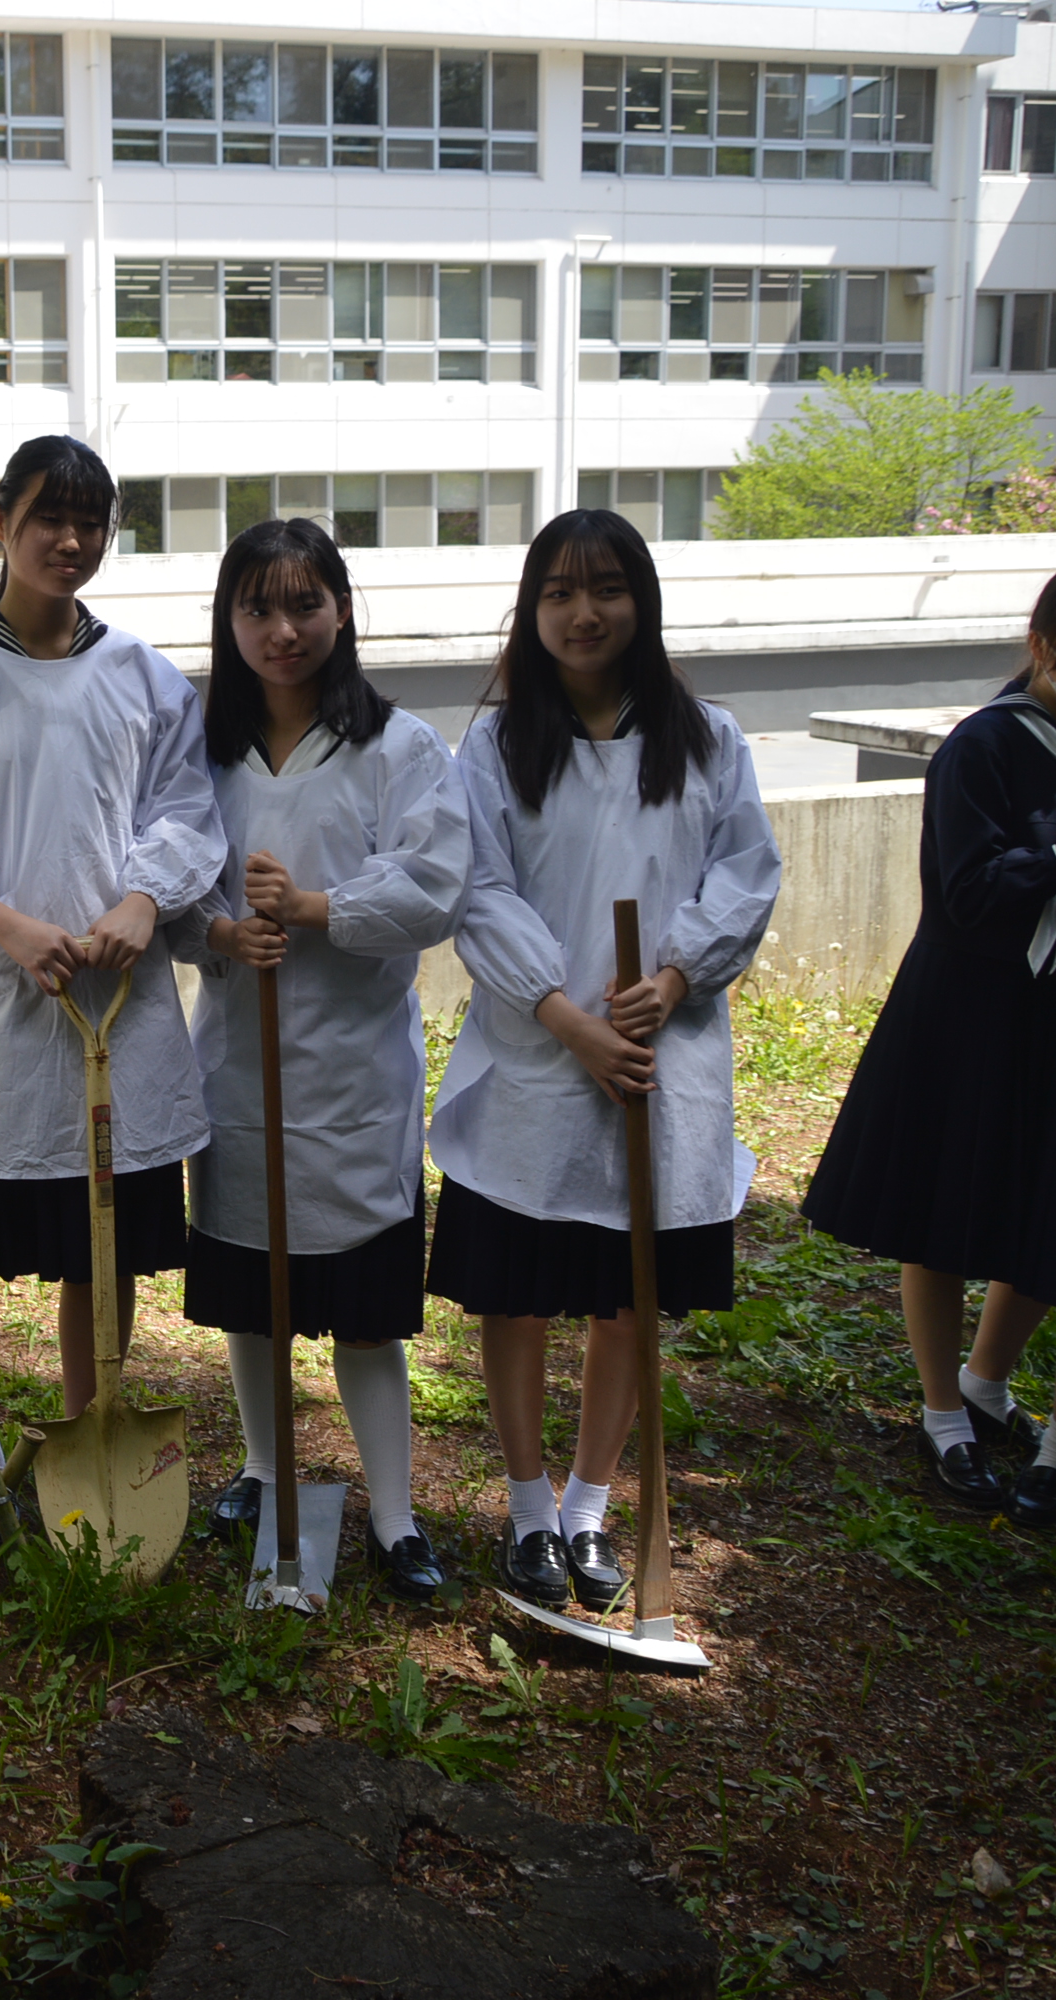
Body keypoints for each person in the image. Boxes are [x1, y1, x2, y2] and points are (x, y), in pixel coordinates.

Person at [0, 434, 225, 1528]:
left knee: (96, 1239)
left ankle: (87, 1438)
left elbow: (184, 811)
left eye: (89, 521)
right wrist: (2, 920)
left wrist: (141, 900)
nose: (68, 541)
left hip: (113, 1004)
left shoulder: (143, 677)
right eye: (46, 518)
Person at [426, 509, 782, 1614]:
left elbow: (745, 873)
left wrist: (672, 978)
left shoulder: (707, 738)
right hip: (539, 1059)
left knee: (625, 1301)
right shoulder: (491, 747)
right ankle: (527, 1508)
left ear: (640, 599)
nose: (583, 612)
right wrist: (564, 1016)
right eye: (558, 592)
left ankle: (589, 1505)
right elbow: (475, 890)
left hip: (658, 1061)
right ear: (530, 612)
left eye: (606, 587)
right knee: (520, 1293)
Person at [167, 518, 470, 1602]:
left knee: (360, 1309)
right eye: (255, 607)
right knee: (250, 1291)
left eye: (303, 604)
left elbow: (433, 888)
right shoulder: (201, 753)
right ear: (228, 619)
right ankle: (259, 1462)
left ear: (340, 610)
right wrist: (215, 932)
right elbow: (165, 880)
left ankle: (391, 1514)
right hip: (238, 1065)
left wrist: (312, 908)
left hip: (351, 1071)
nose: (280, 629)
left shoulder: (397, 749)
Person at [803, 563, 1056, 1520]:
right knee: (943, 1208)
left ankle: (989, 1381)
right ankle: (943, 1406)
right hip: (964, 1005)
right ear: (1045, 643)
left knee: (1038, 1200)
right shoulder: (980, 749)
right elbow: (970, 892)